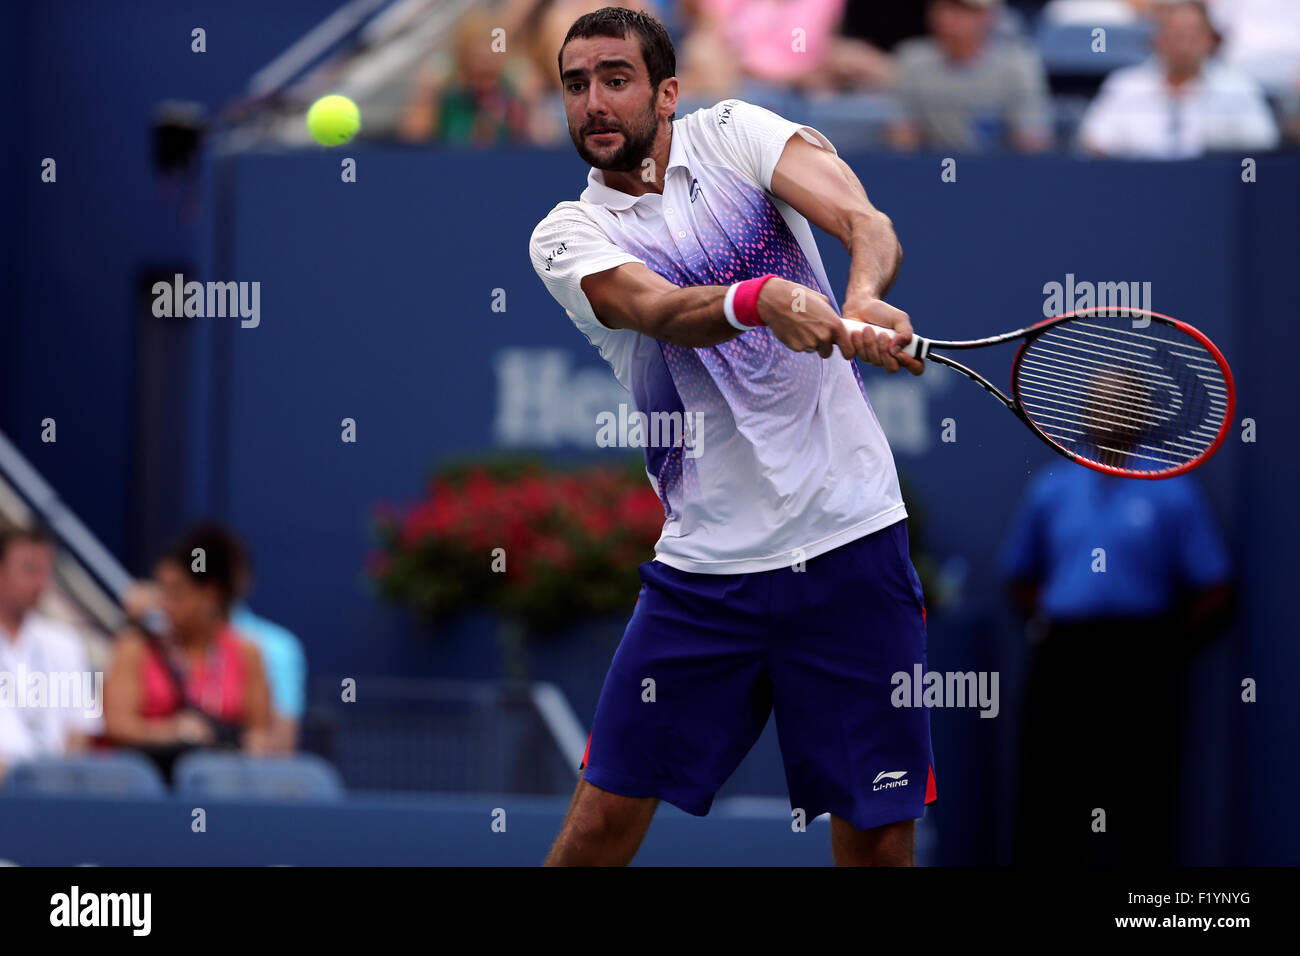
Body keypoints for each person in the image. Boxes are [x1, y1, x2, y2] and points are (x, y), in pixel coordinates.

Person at [529, 7, 933, 866]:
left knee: (879, 840)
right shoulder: (568, 235)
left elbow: (867, 223)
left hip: (850, 542)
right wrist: (761, 299)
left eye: (615, 80)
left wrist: (859, 300)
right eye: (575, 85)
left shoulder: (738, 132)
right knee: (599, 826)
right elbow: (658, 311)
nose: (593, 102)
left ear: (667, 92)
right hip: (706, 576)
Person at [1000, 460, 1232, 865]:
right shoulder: (1051, 488)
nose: (1109, 411)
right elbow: (1018, 573)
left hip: (1141, 663)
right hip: (1064, 661)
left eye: (1123, 398)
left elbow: (1215, 584)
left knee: (1142, 802)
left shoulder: (1173, 490)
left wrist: (1163, 645)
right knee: (1049, 797)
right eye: (1100, 399)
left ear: (1141, 412)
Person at [104, 525, 272, 778]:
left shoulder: (248, 653)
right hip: (145, 785)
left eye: (176, 593)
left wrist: (249, 748)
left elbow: (260, 732)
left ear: (209, 595)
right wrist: (173, 732)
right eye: (162, 590)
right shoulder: (134, 648)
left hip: (221, 785)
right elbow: (115, 726)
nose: (165, 603)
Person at [1077, 0, 1278, 158]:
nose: (1183, 45)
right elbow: (1094, 144)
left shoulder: (1238, 89)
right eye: (1175, 34)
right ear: (1157, 39)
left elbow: (1262, 146)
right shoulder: (1124, 86)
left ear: (1210, 40)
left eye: (1192, 35)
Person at [0, 526, 101, 783]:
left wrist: (59, 780)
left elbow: (82, 730)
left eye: (46, 572)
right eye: (29, 570)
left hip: (54, 789)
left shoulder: (66, 642)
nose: (40, 583)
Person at [889, 0, 1053, 153]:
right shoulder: (912, 60)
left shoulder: (1018, 65)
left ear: (989, 16)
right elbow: (902, 138)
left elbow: (1032, 141)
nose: (950, 19)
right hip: (929, 172)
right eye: (944, 7)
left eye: (965, 11)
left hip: (998, 172)